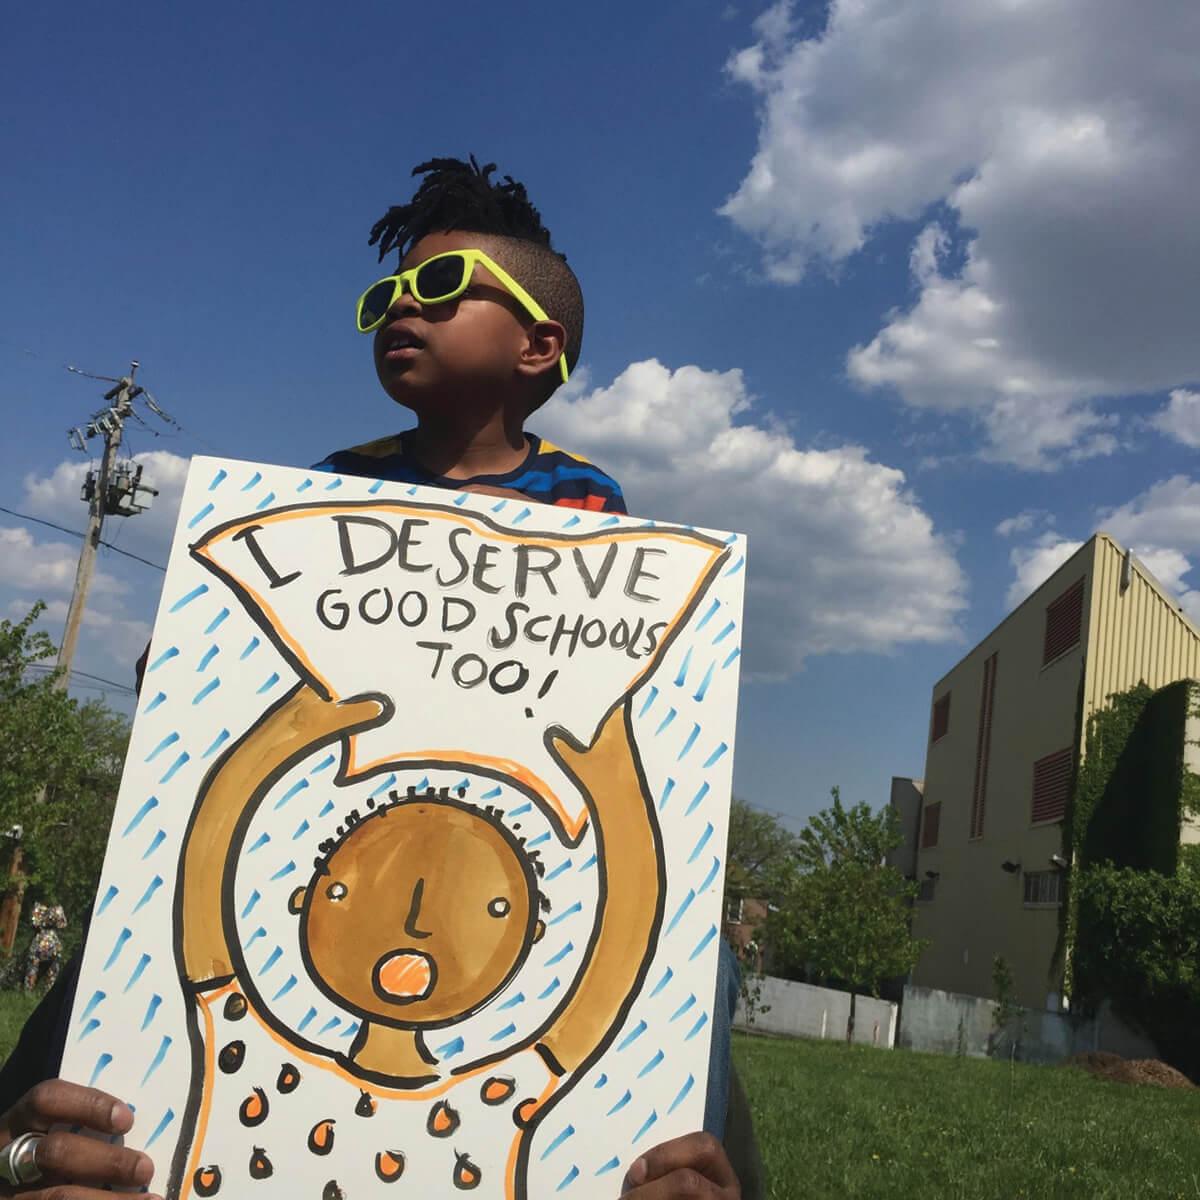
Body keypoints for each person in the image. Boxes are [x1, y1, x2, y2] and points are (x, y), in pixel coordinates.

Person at [0, 158, 761, 1200]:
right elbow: (258, 657)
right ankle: (41, 1126)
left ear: (540, 347)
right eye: (388, 295)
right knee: (133, 912)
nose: (402, 306)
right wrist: (193, 666)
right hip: (348, 812)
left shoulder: (591, 505)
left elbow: (620, 689)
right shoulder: (336, 482)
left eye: (442, 291)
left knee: (698, 961)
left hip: (487, 843)